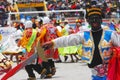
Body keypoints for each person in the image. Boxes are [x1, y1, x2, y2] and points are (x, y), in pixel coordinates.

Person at [42, 7, 120, 80]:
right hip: (95, 74)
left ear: (101, 20)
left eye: (97, 18)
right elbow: (69, 39)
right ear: (88, 20)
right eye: (92, 19)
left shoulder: (111, 34)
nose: (94, 20)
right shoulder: (84, 35)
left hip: (111, 72)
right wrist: (53, 43)